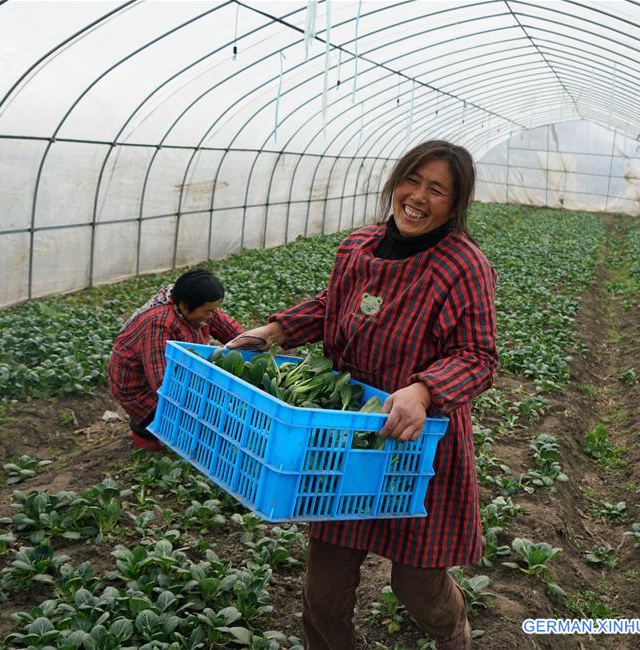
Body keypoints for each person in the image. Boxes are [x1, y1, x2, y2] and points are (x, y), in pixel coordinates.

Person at [230, 140, 497, 649]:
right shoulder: (359, 246)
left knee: (418, 588)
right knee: (324, 595)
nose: (418, 197)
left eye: (436, 190)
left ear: (455, 203)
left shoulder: (463, 265)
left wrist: (423, 389)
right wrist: (275, 331)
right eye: (411, 181)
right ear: (395, 183)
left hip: (416, 443)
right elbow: (333, 304)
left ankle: (455, 633)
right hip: (345, 439)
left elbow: (479, 357)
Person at [108, 268, 244, 451]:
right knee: (203, 424)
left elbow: (233, 333)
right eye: (208, 311)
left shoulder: (196, 305)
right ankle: (145, 428)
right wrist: (206, 405)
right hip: (141, 389)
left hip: (173, 372)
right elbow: (163, 383)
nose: (211, 316)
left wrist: (252, 345)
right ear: (185, 306)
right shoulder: (158, 324)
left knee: (212, 411)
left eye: (214, 310)